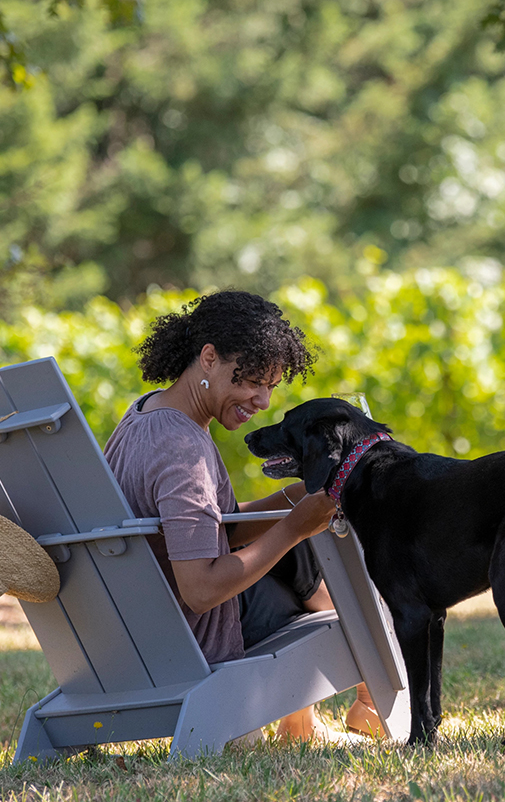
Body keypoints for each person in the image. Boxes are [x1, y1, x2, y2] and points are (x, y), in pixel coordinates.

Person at [104, 289, 382, 742]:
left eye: (271, 385)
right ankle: (363, 704)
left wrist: (291, 498)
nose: (263, 400)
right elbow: (200, 589)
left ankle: (311, 720)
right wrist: (295, 525)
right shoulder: (182, 449)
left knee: (302, 545)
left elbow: (210, 526)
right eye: (251, 380)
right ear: (209, 358)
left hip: (144, 620)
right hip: (193, 634)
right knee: (322, 561)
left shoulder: (146, 415)